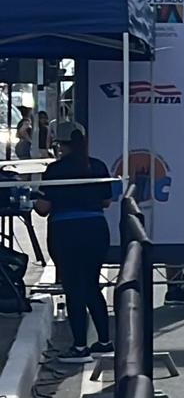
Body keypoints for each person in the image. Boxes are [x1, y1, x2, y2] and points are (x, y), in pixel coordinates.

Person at [35, 122, 112, 363]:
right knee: (91, 285)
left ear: (61, 144)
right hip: (96, 230)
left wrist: (33, 200)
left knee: (73, 287)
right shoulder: (97, 165)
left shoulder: (54, 170)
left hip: (66, 231)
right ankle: (105, 341)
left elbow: (44, 208)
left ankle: (79, 346)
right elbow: (107, 201)